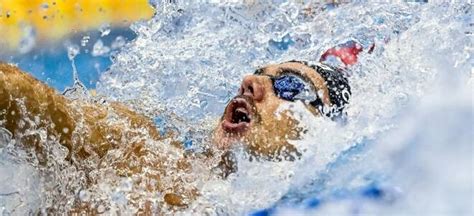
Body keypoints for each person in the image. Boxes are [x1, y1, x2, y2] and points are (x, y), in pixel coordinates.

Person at [0, 42, 357, 212]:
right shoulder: (139, 153)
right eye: (260, 72)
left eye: (290, 86)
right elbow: (25, 98)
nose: (250, 81)